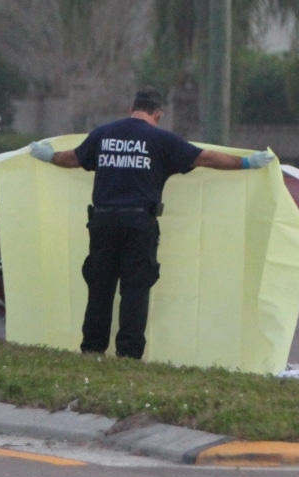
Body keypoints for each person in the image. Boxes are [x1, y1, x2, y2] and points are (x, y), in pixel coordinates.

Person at [29, 86, 275, 359]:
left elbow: (72, 158)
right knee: (135, 289)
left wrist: (48, 155)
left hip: (103, 221)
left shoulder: (104, 134)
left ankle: (92, 350)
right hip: (139, 223)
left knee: (100, 287)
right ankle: (128, 355)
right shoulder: (161, 140)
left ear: (130, 109)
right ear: (158, 114)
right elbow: (205, 157)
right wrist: (247, 163)